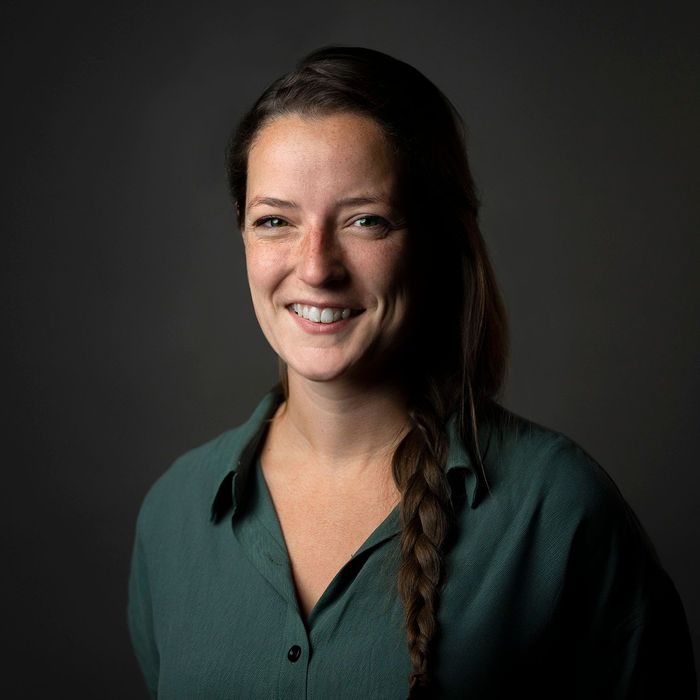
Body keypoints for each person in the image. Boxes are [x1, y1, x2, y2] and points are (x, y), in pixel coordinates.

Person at [127, 46, 696, 698]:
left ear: (434, 241)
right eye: (275, 221)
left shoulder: (558, 512)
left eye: (365, 220)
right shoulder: (173, 517)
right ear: (243, 235)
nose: (316, 267)